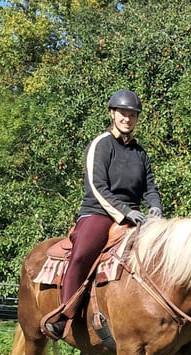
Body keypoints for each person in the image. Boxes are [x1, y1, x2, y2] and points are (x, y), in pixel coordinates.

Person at [45, 89, 163, 339]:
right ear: (112, 113)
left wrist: (156, 206)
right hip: (98, 212)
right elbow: (96, 186)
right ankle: (64, 314)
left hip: (135, 216)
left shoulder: (140, 153)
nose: (127, 119)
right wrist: (124, 211)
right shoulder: (101, 144)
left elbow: (150, 187)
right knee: (82, 254)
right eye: (123, 114)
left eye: (132, 115)